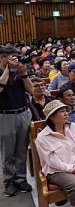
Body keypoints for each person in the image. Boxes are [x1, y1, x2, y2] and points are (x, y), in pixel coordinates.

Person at [0, 46, 33, 196]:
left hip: (23, 112)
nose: (16, 60)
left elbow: (31, 90)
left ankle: (21, 178)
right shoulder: (3, 72)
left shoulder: (18, 73)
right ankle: (9, 180)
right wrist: (7, 69)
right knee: (8, 151)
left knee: (21, 149)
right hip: (5, 115)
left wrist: (24, 73)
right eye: (12, 57)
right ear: (2, 57)